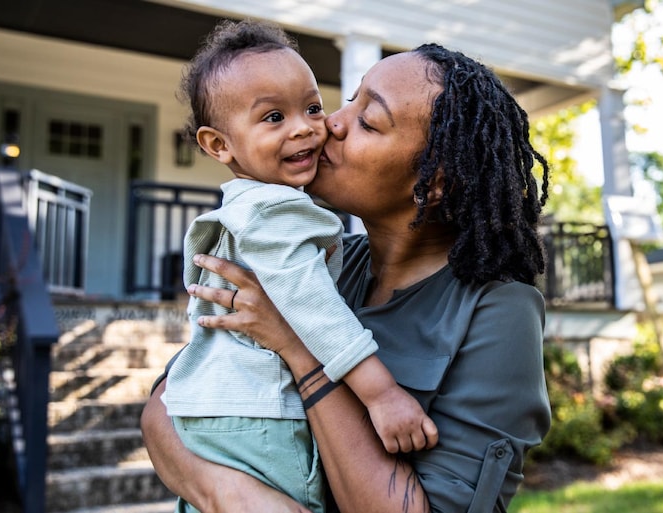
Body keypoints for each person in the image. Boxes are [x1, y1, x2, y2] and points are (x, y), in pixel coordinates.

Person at [142, 40, 552, 513]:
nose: (329, 123)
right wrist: (231, 496)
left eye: (368, 120)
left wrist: (297, 348)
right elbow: (163, 408)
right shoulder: (316, 259)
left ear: (436, 181)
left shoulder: (498, 311)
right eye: (348, 100)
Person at [161, 19, 437, 513]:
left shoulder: (246, 207)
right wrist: (381, 394)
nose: (307, 127)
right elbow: (313, 309)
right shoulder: (274, 211)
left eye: (311, 107)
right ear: (219, 145)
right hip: (260, 413)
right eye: (273, 118)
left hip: (216, 409)